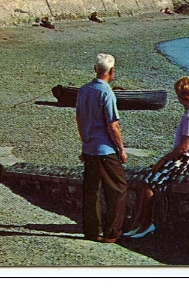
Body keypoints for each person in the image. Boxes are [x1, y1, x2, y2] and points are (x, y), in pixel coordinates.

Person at [125, 76, 189, 239]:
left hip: (188, 158)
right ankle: (138, 223)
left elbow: (183, 148)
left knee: (150, 181)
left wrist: (163, 160)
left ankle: (146, 224)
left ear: (179, 95)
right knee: (149, 180)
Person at [75, 53, 127, 243]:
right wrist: (121, 149)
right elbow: (112, 125)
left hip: (89, 147)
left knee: (92, 191)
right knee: (118, 189)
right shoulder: (106, 93)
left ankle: (92, 231)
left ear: (96, 69)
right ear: (111, 72)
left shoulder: (83, 90)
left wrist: (85, 141)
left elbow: (79, 118)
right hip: (105, 150)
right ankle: (112, 232)